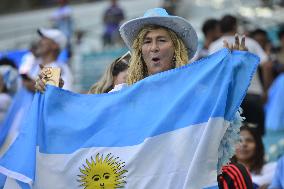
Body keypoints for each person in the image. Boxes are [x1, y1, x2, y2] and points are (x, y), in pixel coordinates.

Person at [209, 14, 271, 136]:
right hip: (253, 93)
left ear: (220, 28)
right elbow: (267, 65)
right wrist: (266, 90)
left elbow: (213, 73)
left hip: (228, 96)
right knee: (255, 135)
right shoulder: (250, 42)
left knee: (230, 136)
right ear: (235, 26)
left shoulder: (215, 46)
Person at [231, 123, 277, 188]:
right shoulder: (222, 173)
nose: (244, 144)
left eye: (249, 140)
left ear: (258, 145)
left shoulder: (273, 168)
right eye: (239, 140)